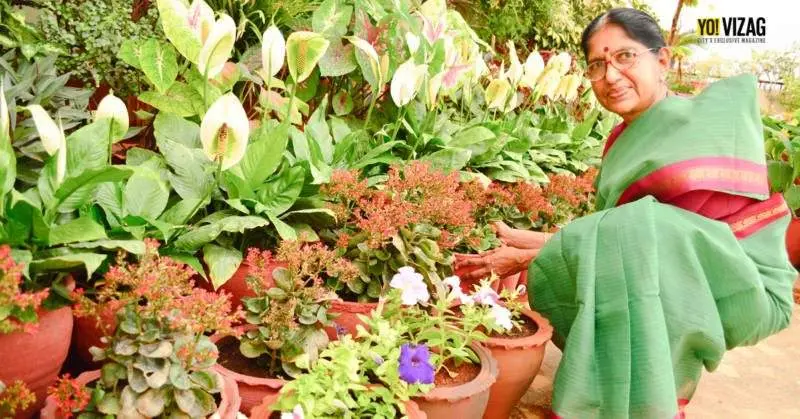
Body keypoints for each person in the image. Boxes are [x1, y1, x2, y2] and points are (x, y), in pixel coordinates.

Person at [455, 8, 797, 418]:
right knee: (622, 256)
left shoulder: (698, 126)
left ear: (663, 61)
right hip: (669, 269)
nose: (611, 76)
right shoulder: (622, 139)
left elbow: (665, 238)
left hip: (740, 283)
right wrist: (544, 244)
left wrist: (537, 252)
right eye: (597, 65)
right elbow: (626, 236)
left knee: (631, 246)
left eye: (625, 57)